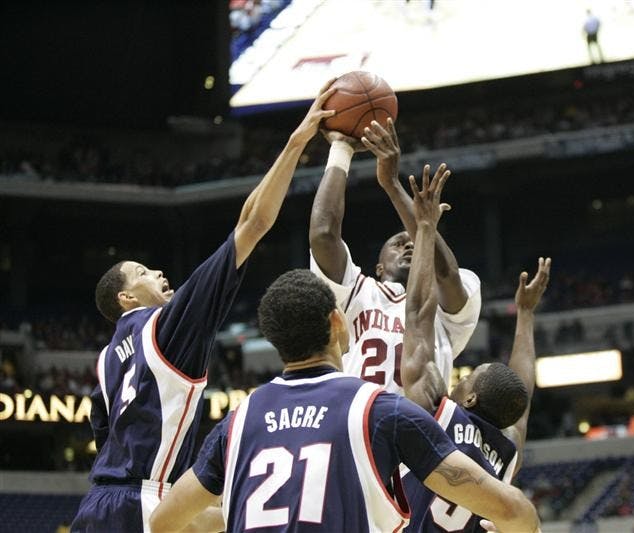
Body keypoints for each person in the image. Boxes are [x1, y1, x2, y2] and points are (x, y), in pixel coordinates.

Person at [71, 80, 338, 533]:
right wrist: (298, 139)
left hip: (98, 504)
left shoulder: (104, 360)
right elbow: (252, 224)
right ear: (126, 298)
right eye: (142, 272)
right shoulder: (166, 327)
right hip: (143, 501)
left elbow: (108, 435)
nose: (157, 274)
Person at [148, 268, 540, 533]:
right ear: (338, 322)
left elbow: (164, 522)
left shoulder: (237, 422)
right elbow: (516, 511)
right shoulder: (383, 411)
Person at [397, 163, 550, 532]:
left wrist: (425, 229)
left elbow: (417, 316)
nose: (459, 380)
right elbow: (522, 397)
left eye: (468, 379)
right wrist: (525, 316)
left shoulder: (441, 416)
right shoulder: (506, 452)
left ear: (468, 400)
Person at [308, 118, 480, 394]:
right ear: (378, 267)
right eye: (399, 243)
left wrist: (393, 185)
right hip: (360, 428)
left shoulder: (456, 296)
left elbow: (445, 274)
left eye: (414, 242)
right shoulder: (356, 293)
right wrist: (341, 149)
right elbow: (323, 235)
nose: (410, 246)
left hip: (422, 428)